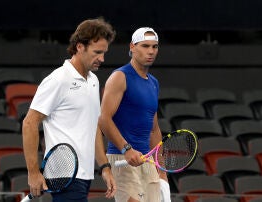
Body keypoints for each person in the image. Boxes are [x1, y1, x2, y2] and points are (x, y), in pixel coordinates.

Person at [22, 17, 117, 202]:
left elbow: (94, 128)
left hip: (85, 175)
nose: (102, 59)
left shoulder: (94, 81)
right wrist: (33, 173)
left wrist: (104, 167)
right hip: (64, 176)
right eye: (97, 52)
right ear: (80, 47)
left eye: (104, 53)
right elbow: (29, 123)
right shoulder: (58, 79)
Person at [98, 27, 170, 202]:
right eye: (145, 46)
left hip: (148, 162)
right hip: (123, 158)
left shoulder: (154, 83)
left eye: (155, 47)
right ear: (132, 47)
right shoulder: (119, 77)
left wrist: (162, 172)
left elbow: (154, 130)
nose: (151, 51)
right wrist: (127, 149)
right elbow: (104, 119)